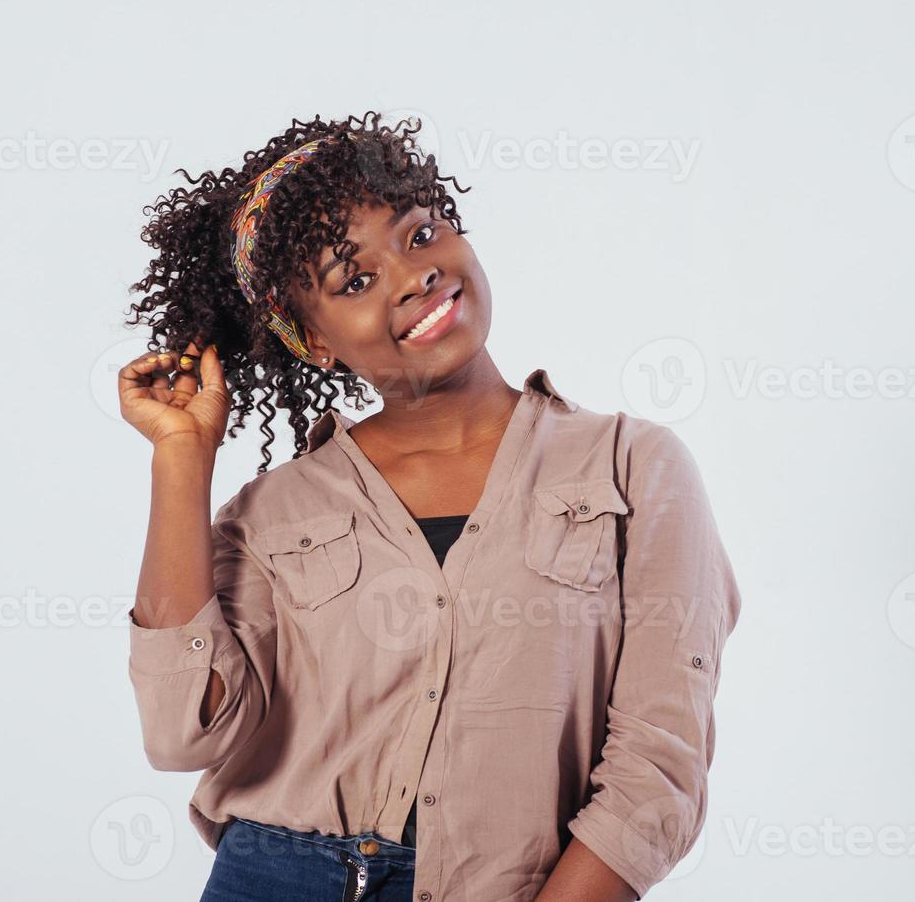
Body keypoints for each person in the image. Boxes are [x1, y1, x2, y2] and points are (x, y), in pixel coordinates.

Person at [119, 112, 741, 901]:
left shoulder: (633, 466)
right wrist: (182, 460)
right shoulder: (269, 514)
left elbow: (658, 769)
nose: (413, 276)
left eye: (419, 235)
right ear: (314, 341)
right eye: (355, 279)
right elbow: (184, 733)